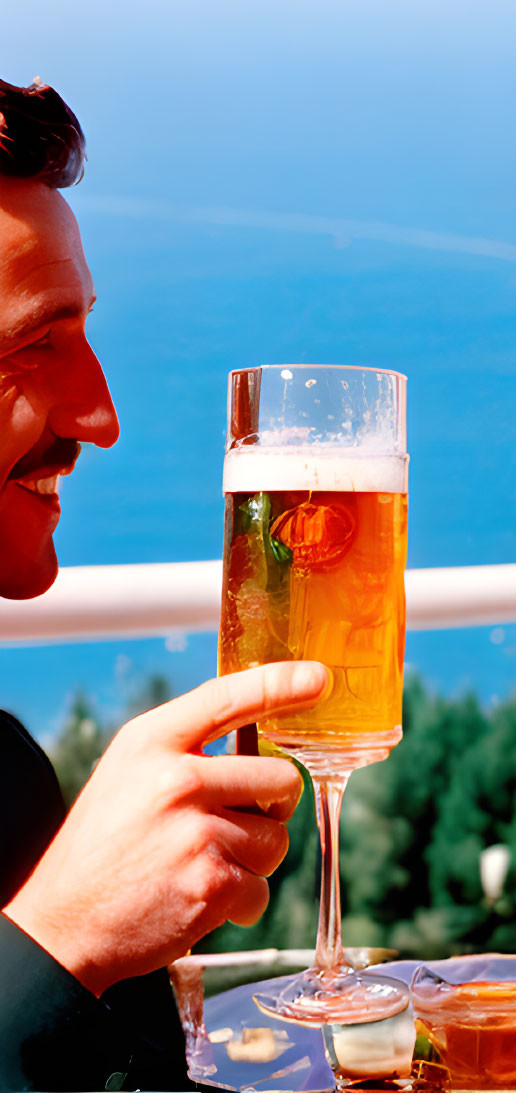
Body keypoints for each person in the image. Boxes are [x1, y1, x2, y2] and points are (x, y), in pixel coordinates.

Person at [0, 76, 330, 1090]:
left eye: (86, 329)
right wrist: (57, 942)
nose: (102, 416)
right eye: (35, 343)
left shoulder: (6, 778)